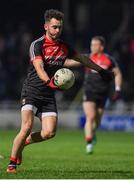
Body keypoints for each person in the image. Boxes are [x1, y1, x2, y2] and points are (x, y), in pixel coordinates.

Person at [7, 10, 113, 173]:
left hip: (48, 95)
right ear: (46, 26)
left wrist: (100, 70)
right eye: (55, 27)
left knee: (49, 133)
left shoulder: (64, 47)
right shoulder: (37, 44)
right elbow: (39, 67)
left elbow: (82, 58)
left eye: (60, 28)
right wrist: (48, 81)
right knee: (27, 126)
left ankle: (25, 142)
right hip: (32, 91)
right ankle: (12, 164)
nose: (57, 30)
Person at [82, 36, 122, 154]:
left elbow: (118, 74)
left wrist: (118, 89)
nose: (92, 47)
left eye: (95, 45)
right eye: (91, 44)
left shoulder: (109, 59)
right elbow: (73, 60)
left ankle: (93, 134)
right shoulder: (87, 58)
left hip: (103, 93)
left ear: (102, 47)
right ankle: (89, 143)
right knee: (90, 117)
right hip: (89, 91)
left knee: (97, 121)